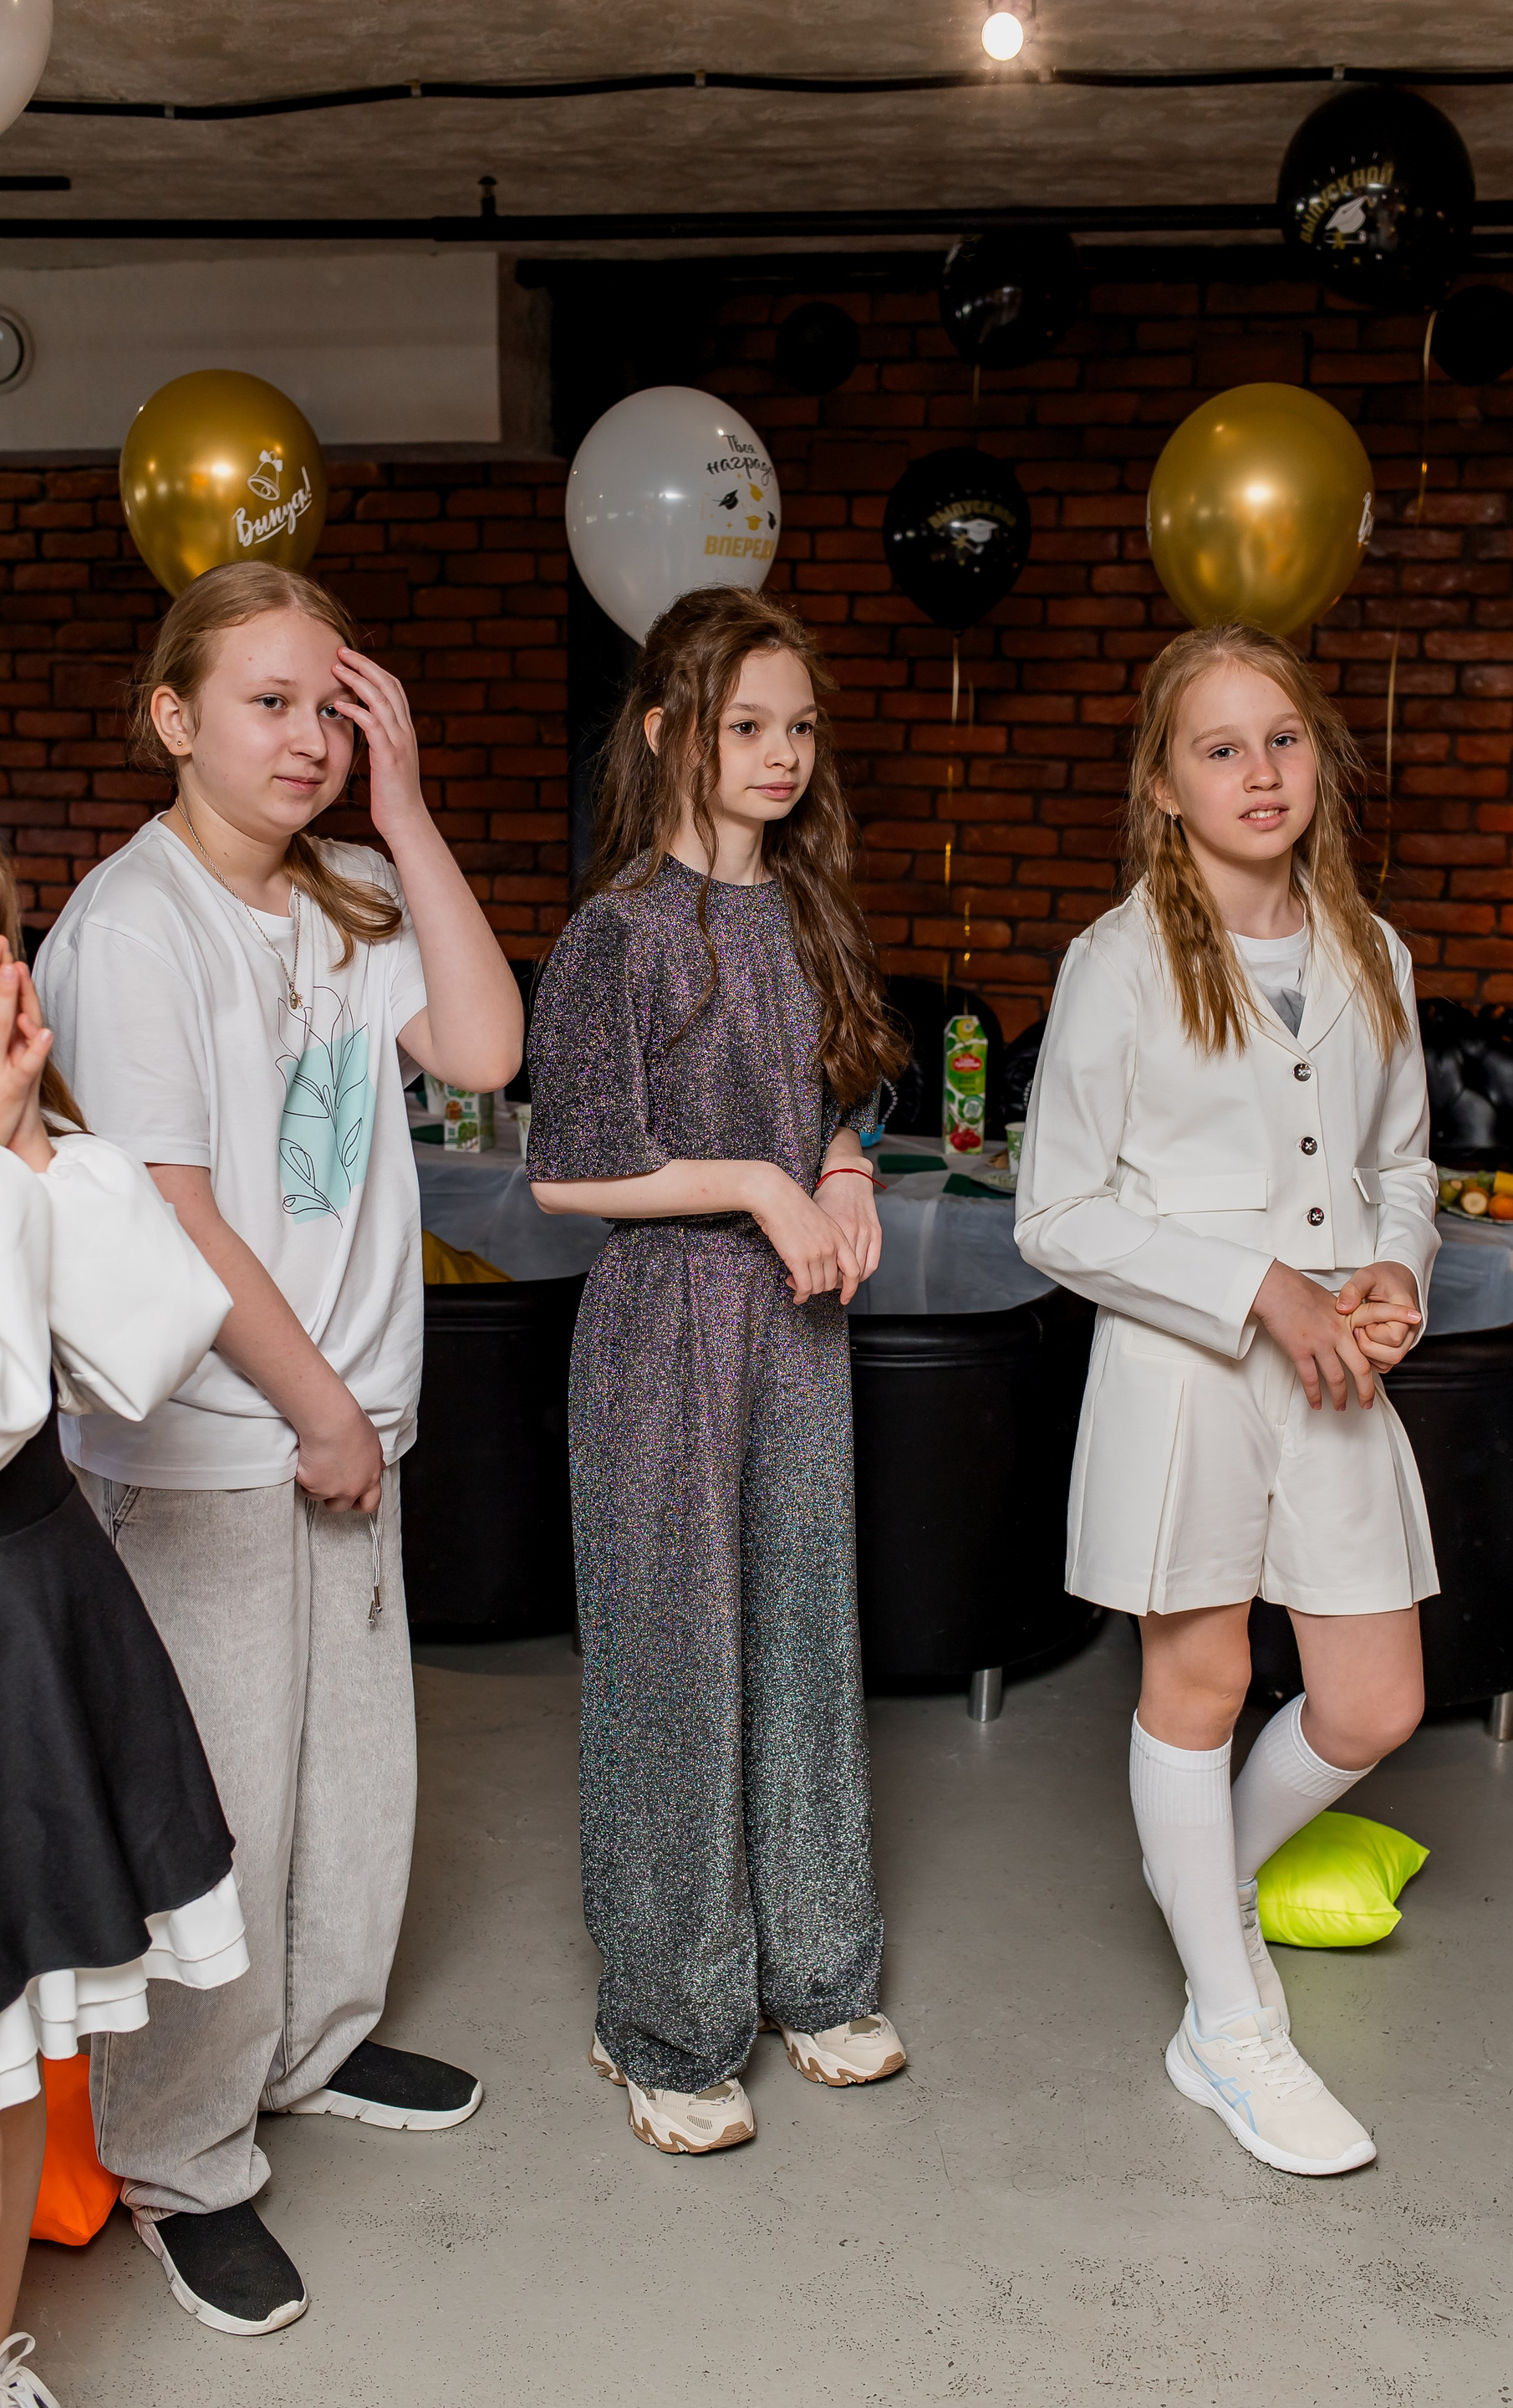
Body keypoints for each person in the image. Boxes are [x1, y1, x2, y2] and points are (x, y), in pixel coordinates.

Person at [35, 563, 524, 2333]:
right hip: (220, 1436)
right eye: (268, 701)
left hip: (348, 1414)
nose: (308, 736)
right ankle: (183, 2155)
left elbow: (486, 1048)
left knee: (350, 1776)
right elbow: (172, 1214)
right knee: (220, 1806)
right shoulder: (130, 928)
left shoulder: (353, 894)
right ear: (172, 717)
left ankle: (308, 2049)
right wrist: (316, 1406)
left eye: (333, 704)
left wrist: (410, 812)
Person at [1016, 621, 1439, 2178]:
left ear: (1319, 755)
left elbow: (1403, 1165)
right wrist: (1259, 1281)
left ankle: (1208, 1901)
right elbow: (1056, 1215)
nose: (1261, 773)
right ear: (1165, 784)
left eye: (1283, 738)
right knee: (1195, 1688)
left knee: (1373, 1702)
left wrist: (1393, 1269)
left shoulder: (1373, 950)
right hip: (1187, 1373)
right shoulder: (1117, 963)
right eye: (1221, 748)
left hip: (1338, 1374)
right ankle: (1231, 2020)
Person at [526, 585, 909, 2154]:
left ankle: (816, 1975)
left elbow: (837, 1097)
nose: (781, 754)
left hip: (796, 1333)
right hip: (660, 1325)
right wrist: (759, 1184)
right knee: (672, 1669)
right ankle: (666, 2023)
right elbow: (567, 1170)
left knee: (804, 1637)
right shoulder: (613, 933)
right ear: (667, 731)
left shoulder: (809, 912)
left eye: (799, 726)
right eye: (747, 725)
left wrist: (842, 1167)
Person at [0, 874, 246, 2408]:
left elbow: (142, 1345)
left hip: (20, 1618)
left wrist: (26, 1147)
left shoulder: (30, 1164)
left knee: (6, 2051)